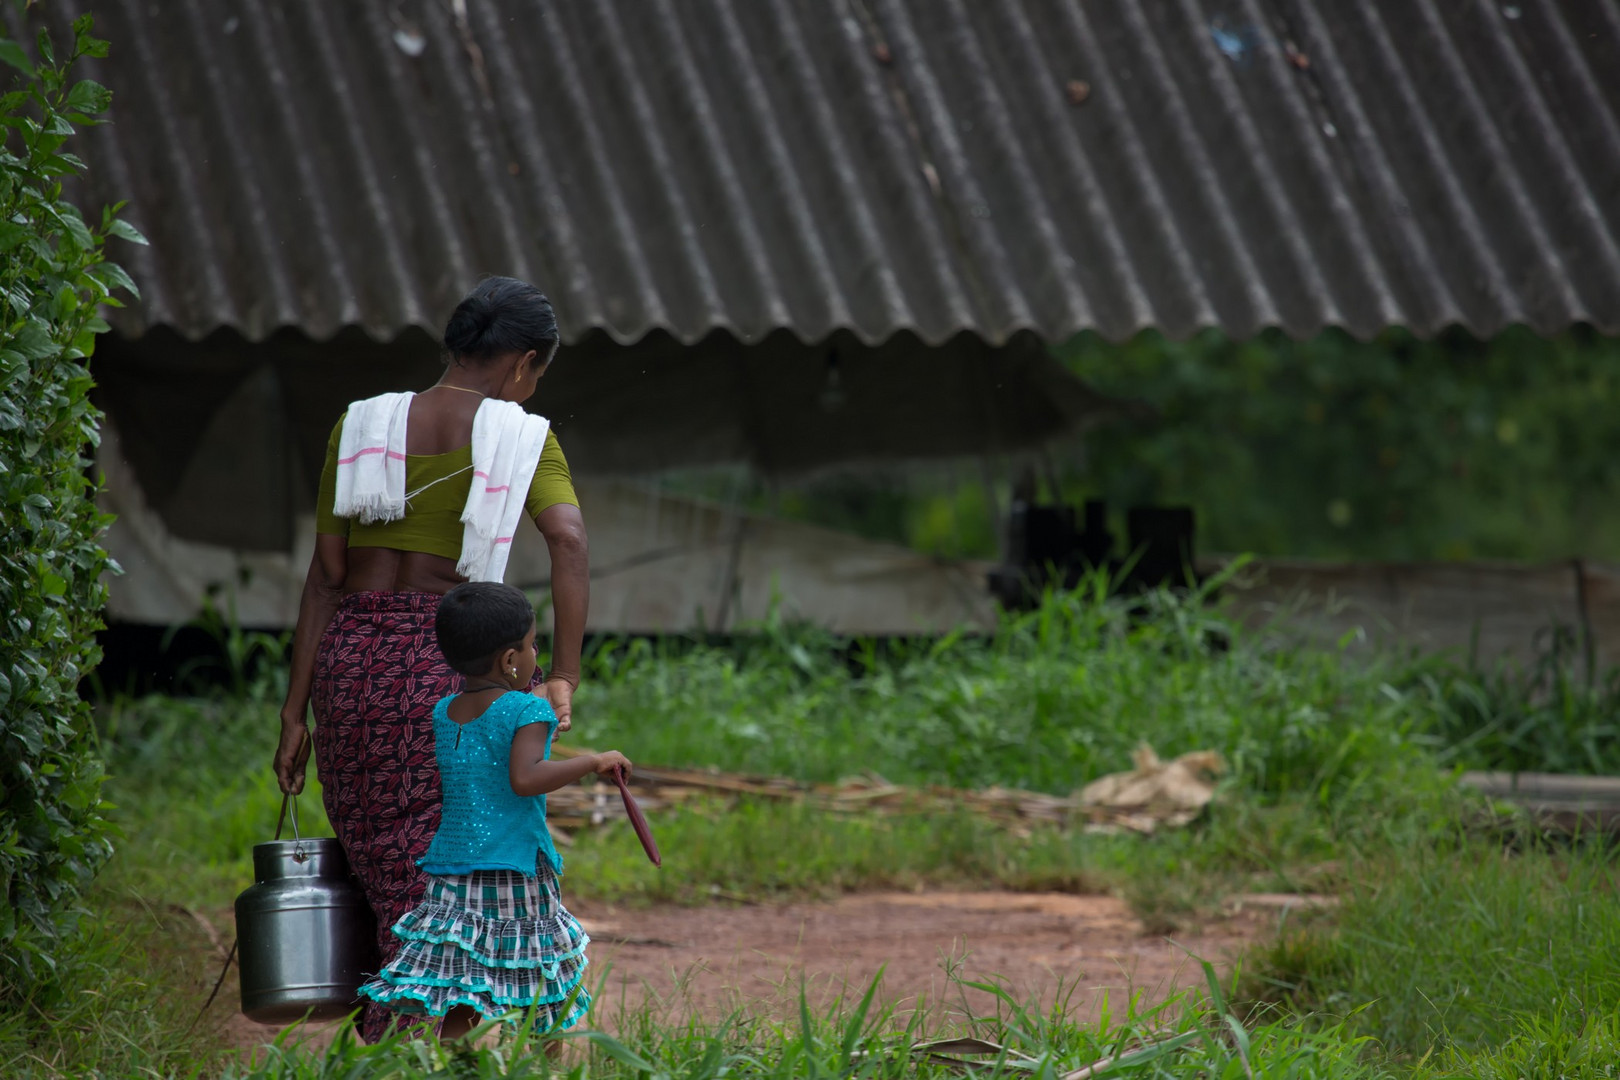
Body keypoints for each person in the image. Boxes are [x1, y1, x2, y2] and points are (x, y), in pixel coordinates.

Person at [272, 277, 590, 1043]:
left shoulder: (360, 426)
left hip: (351, 668)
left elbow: (326, 575)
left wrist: (293, 710)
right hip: (451, 664)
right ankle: (427, 1038)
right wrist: (563, 673)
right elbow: (570, 543)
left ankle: (394, 1034)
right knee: (451, 871)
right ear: (521, 363)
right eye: (536, 373)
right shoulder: (523, 436)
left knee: (385, 864)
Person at [357, 582, 630, 1038]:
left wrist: (536, 723)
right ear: (509, 659)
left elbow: (493, 747)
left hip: (454, 871)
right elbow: (525, 779)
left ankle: (453, 1064)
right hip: (514, 869)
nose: (534, 652)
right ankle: (548, 1070)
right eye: (529, 645)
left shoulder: (446, 710)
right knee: (541, 978)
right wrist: (593, 761)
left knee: (462, 981)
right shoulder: (527, 709)